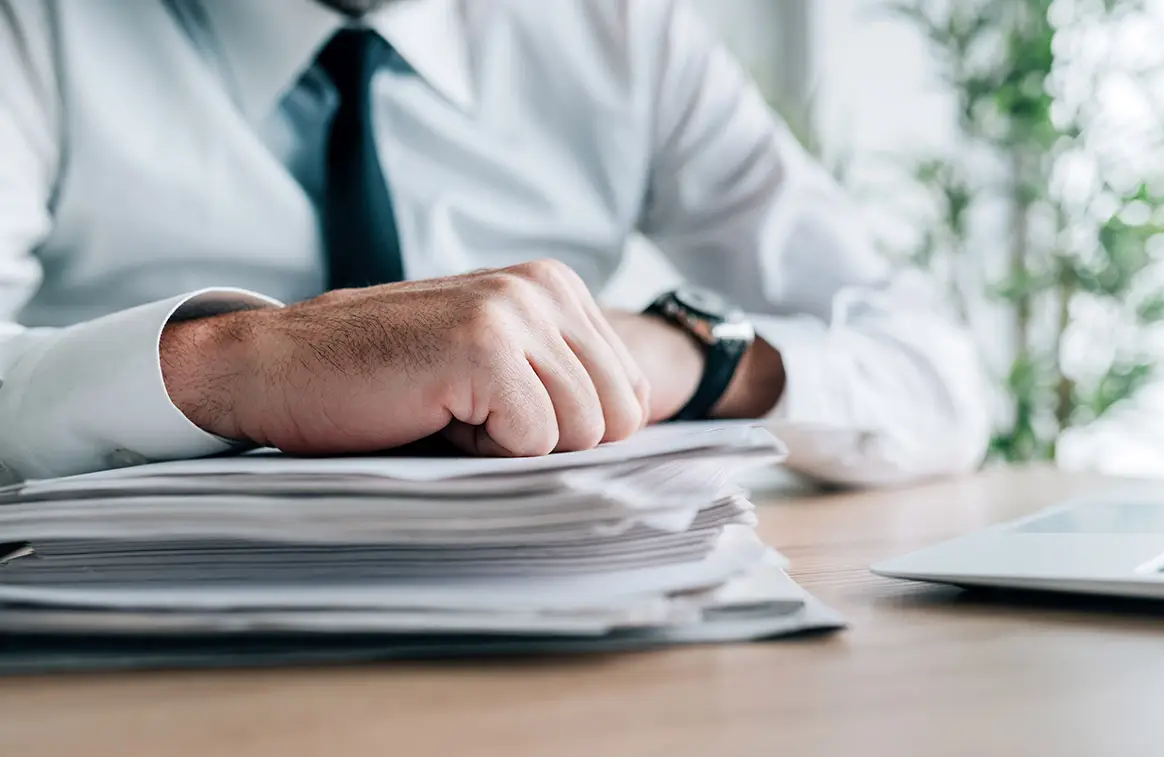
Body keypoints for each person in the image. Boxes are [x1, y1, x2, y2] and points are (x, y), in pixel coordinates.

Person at [0, 0, 989, 484]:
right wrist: (228, 365)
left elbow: (938, 379)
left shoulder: (622, 32)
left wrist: (683, 352)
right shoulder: (37, 25)